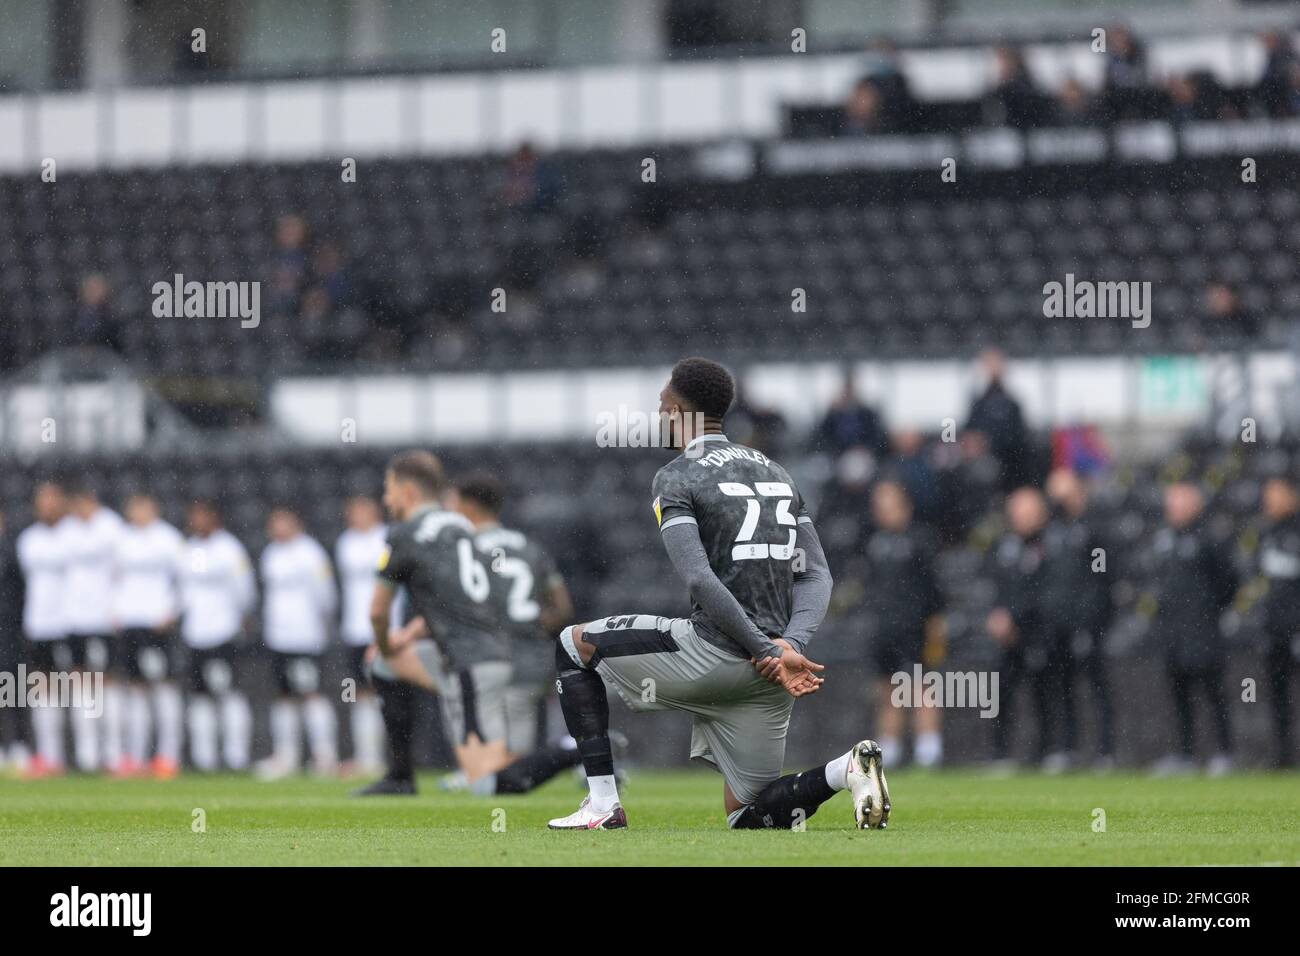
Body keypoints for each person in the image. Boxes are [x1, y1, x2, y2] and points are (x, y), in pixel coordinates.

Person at [548, 357, 888, 831]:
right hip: (771, 675)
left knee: (571, 645)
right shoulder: (778, 473)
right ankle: (844, 770)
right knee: (748, 814)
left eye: (662, 405)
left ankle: (603, 804)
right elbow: (816, 575)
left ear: (676, 409)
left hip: (713, 654)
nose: (659, 415)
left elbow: (700, 580)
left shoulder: (676, 475)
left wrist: (765, 649)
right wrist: (789, 644)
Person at [368, 452, 586, 798]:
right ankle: (400, 776)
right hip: (487, 654)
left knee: (488, 783)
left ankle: (575, 748)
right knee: (383, 664)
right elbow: (554, 605)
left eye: (388, 489)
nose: (385, 498)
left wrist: (387, 640)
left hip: (470, 663)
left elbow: (377, 613)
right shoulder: (460, 528)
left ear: (408, 492)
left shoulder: (410, 534)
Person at [450, 472, 575, 759]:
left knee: (488, 740)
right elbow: (562, 608)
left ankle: (491, 777)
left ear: (468, 506)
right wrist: (530, 627)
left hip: (487, 656)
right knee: (519, 742)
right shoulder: (529, 547)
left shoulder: (464, 548)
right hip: (531, 657)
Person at [1149, 483, 1236, 775]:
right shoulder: (1164, 539)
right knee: (1178, 694)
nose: (1173, 509)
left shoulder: (1209, 538)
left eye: (1180, 503)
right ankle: (1184, 754)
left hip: (1203, 630)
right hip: (1172, 630)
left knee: (1213, 692)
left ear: (1195, 505)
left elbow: (1228, 581)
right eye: (1170, 504)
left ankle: (1225, 753)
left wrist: (1207, 610)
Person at [865, 480, 945, 768]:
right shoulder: (875, 543)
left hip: (915, 627)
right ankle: (889, 747)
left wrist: (934, 627)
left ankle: (929, 747)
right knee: (887, 689)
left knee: (920, 686)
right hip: (885, 628)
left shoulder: (921, 540)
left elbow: (935, 590)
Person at [256, 507, 338, 779]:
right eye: (274, 522)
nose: (278, 527)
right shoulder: (270, 555)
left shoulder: (311, 554)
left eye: (283, 521)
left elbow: (326, 596)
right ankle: (286, 756)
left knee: (311, 693)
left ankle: (324, 755)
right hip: (279, 636)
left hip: (306, 636)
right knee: (284, 697)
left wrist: (319, 628)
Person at [1041, 469, 1115, 769]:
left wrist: (1090, 620)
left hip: (1088, 624)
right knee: (1063, 687)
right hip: (1058, 623)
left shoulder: (1093, 529)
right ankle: (1068, 747)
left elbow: (1101, 580)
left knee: (1096, 685)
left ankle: (1105, 750)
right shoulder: (1053, 531)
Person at [111, 493, 185, 778]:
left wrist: (172, 611)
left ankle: (168, 756)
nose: (137, 512)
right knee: (137, 690)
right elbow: (114, 579)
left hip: (158, 624)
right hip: (131, 624)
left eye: (143, 506)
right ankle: (136, 756)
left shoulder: (168, 538)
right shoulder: (122, 540)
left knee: (164, 687)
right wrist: (115, 610)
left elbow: (184, 579)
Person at [179, 500, 255, 772]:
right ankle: (204, 758)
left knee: (229, 692)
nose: (197, 520)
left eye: (202, 515)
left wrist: (239, 619)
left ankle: (236, 756)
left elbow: (244, 590)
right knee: (200, 696)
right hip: (196, 633)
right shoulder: (188, 549)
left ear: (215, 517)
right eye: (193, 515)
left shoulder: (229, 549)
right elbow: (184, 591)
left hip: (223, 631)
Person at [986, 487, 1051, 768]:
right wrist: (998, 615)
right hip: (1006, 637)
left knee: (1045, 695)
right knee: (1000, 695)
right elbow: (997, 586)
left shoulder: (1052, 544)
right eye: (1017, 513)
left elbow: (1047, 592)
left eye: (1028, 512)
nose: (1022, 518)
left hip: (1039, 632)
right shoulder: (1004, 547)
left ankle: (1048, 751)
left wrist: (1016, 616)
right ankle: (1000, 753)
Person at [62, 484, 124, 772]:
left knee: (106, 685)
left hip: (103, 619)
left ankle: (112, 752)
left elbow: (122, 571)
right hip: (76, 620)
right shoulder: (67, 529)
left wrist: (117, 607)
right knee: (80, 684)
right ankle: (87, 754)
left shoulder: (111, 527)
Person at [15, 482, 69, 777]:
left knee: (85, 690)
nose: (47, 505)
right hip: (38, 625)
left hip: (71, 624)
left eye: (52, 499)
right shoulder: (28, 540)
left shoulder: (74, 537)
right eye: (42, 500)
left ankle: (93, 754)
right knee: (43, 690)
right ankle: (49, 756)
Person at [335, 496, 388, 776]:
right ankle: (363, 756)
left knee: (380, 691)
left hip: (380, 629)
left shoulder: (386, 539)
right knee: (358, 694)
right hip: (354, 628)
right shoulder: (346, 542)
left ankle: (378, 757)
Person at [1255, 475, 1300, 767]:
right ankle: (1282, 756)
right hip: (1274, 628)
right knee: (1277, 695)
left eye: (1275, 495)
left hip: (1297, 625)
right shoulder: (1265, 532)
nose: (1269, 501)